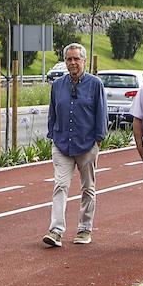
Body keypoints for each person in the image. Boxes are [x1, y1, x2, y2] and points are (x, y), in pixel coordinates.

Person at [43, 43, 107, 247]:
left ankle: (84, 228)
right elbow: (53, 111)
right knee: (60, 185)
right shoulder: (57, 85)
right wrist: (52, 134)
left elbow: (101, 113)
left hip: (87, 145)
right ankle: (56, 231)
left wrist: (98, 139)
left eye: (76, 59)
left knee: (88, 187)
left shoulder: (95, 84)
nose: (72, 63)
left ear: (84, 61)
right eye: (69, 59)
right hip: (62, 144)